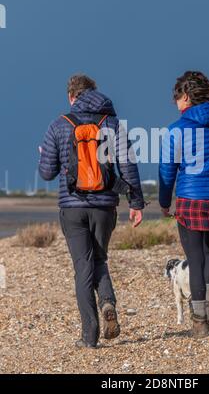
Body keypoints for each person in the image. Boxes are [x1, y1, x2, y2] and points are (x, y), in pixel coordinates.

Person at [39, 74, 144, 348]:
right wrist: (136, 203)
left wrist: (43, 155)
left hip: (72, 208)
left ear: (71, 97)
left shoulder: (59, 126)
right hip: (105, 206)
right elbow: (128, 166)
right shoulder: (111, 124)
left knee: (82, 267)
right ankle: (107, 302)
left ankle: (89, 335)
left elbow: (47, 173)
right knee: (99, 259)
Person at [159, 71, 209, 338]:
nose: (176, 103)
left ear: (187, 97)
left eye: (177, 97)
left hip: (191, 199)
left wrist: (164, 202)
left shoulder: (176, 130)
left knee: (195, 258)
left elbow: (167, 171)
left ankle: (200, 321)